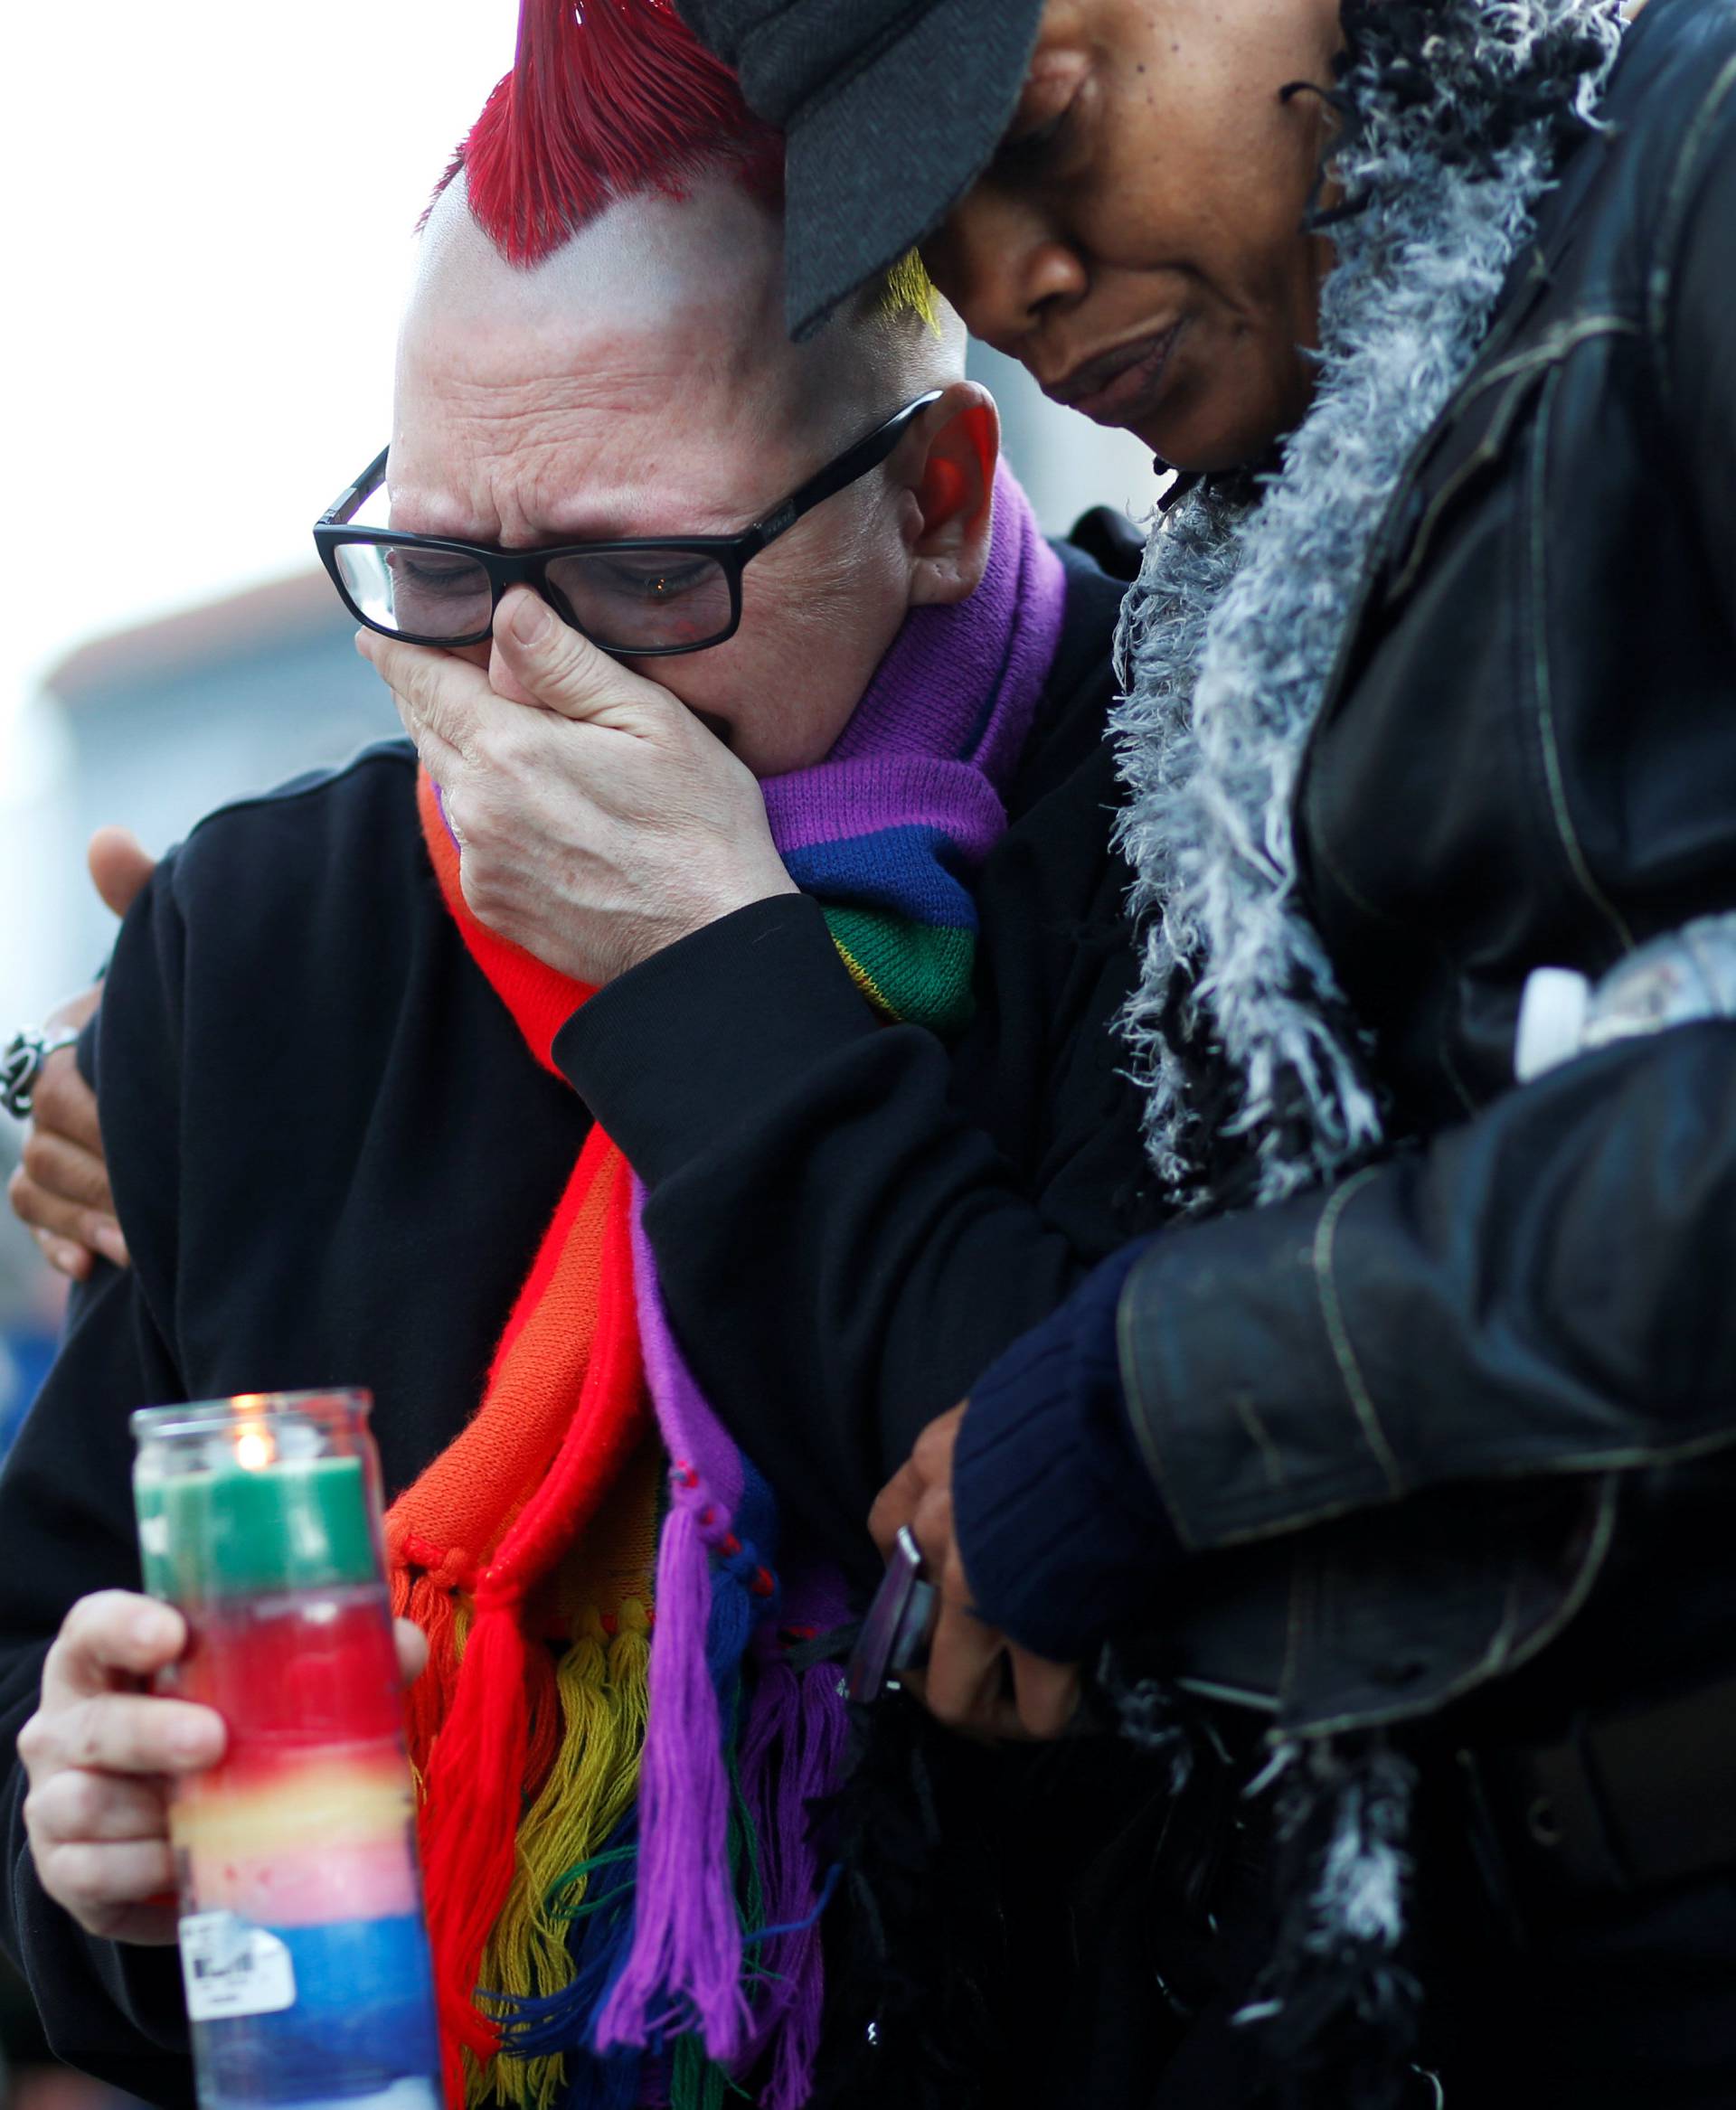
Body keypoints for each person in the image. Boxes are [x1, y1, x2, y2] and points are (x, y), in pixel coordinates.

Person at [0, 6, 1165, 2107]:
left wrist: (716, 981)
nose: (518, 687)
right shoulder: (263, 944)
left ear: (933, 493)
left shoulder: (1202, 823)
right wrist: (74, 1848)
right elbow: (53, 1688)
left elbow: (1162, 1603)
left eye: (648, 574)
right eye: (440, 567)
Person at [671, 0, 1736, 2103]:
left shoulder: (1695, 182)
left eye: (1041, 124)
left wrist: (1166, 1393)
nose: (1005, 283)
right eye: (928, 225)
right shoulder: (1245, 560)